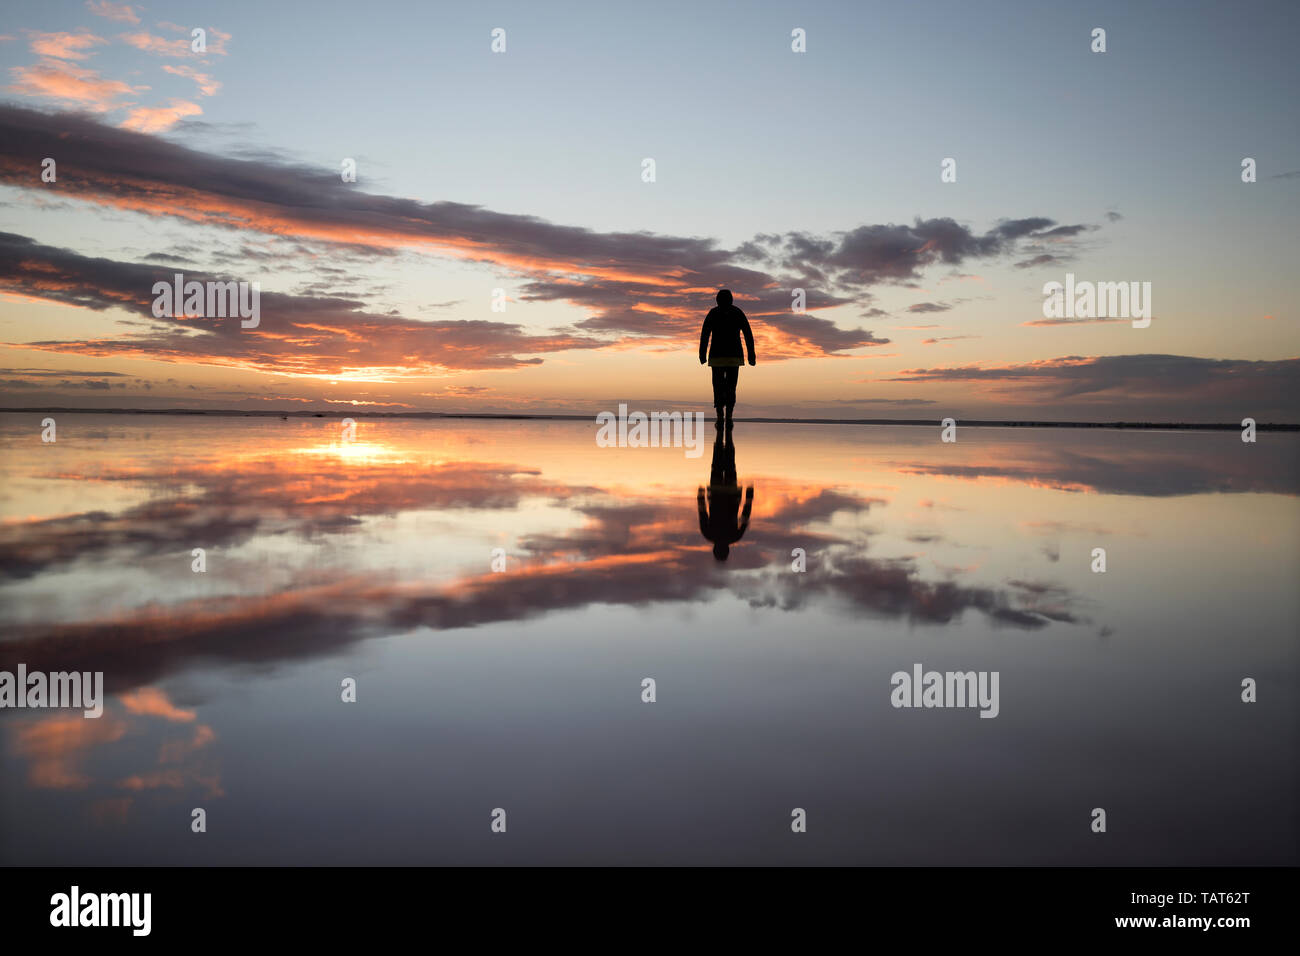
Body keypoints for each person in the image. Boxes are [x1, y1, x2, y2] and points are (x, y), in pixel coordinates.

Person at [698, 289, 755, 427]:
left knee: (722, 387)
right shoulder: (733, 313)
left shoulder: (719, 313)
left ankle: (724, 416)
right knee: (728, 387)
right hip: (727, 358)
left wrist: (702, 354)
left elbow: (705, 334)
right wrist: (751, 355)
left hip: (725, 358)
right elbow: (748, 334)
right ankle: (724, 416)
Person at [697, 426, 753, 562]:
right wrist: (700, 496)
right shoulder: (709, 534)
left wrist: (749, 496)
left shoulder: (734, 537)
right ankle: (722, 434)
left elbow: (745, 515)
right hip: (718, 493)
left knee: (728, 464)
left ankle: (725, 434)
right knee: (719, 465)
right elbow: (702, 512)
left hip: (730, 494)